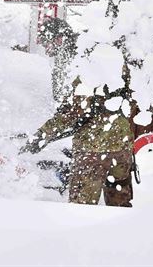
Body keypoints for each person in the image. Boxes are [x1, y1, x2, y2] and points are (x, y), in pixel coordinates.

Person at [20, 79, 135, 207]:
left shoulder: (87, 73)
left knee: (82, 208)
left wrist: (41, 136)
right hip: (122, 150)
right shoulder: (123, 69)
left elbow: (71, 113)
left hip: (92, 152)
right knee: (120, 204)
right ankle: (122, 225)